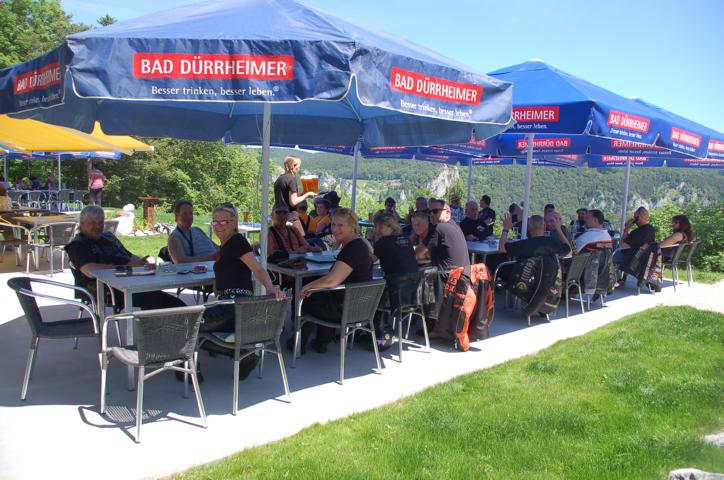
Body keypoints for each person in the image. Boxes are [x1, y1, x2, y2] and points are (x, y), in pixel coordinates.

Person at [202, 203, 285, 379]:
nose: (218, 226)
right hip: (230, 305)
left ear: (234, 223)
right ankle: (244, 354)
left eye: (224, 222)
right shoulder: (226, 246)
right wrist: (218, 281)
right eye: (215, 222)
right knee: (195, 327)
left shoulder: (237, 241)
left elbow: (258, 268)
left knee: (189, 326)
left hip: (233, 306)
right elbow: (229, 267)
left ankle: (242, 354)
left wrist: (271, 288)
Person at [65, 205, 187, 310]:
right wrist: (126, 267)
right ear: (82, 224)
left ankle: (166, 326)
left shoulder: (108, 237)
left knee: (166, 300)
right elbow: (90, 270)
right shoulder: (78, 245)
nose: (97, 226)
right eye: (92, 223)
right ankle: (152, 328)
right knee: (155, 299)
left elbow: (129, 256)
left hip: (130, 282)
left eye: (100, 222)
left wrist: (140, 262)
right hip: (106, 290)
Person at [297, 208, 374, 353]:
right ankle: (321, 342)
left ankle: (298, 344)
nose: (335, 229)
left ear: (352, 227)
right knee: (322, 294)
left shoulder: (353, 249)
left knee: (306, 296)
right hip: (359, 307)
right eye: (333, 225)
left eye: (340, 225)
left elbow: (332, 280)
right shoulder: (359, 245)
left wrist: (307, 287)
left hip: (345, 310)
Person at [416, 199, 470, 271]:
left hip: (448, 275)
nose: (431, 215)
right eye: (429, 212)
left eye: (435, 211)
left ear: (448, 212)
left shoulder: (439, 227)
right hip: (462, 274)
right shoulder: (455, 226)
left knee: (411, 272)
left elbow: (417, 253)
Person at [273, 155, 317, 237]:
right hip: (290, 217)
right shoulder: (291, 179)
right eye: (298, 167)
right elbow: (293, 202)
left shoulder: (280, 178)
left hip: (277, 215)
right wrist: (307, 195)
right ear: (293, 166)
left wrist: (300, 194)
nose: (299, 169)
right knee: (301, 239)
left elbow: (284, 196)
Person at [499, 213, 571, 258]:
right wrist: (559, 229)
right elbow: (568, 249)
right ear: (544, 226)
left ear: (528, 227)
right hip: (549, 277)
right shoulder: (553, 242)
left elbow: (502, 249)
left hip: (527, 278)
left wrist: (506, 228)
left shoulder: (523, 244)